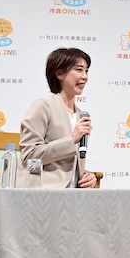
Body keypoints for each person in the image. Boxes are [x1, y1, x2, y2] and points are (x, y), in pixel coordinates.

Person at [19, 47, 97, 188]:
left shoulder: (80, 114)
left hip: (74, 195)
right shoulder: (44, 105)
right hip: (44, 192)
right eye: (79, 70)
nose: (84, 76)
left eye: (86, 71)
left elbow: (67, 166)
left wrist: (87, 175)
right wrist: (72, 140)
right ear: (59, 73)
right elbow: (29, 157)